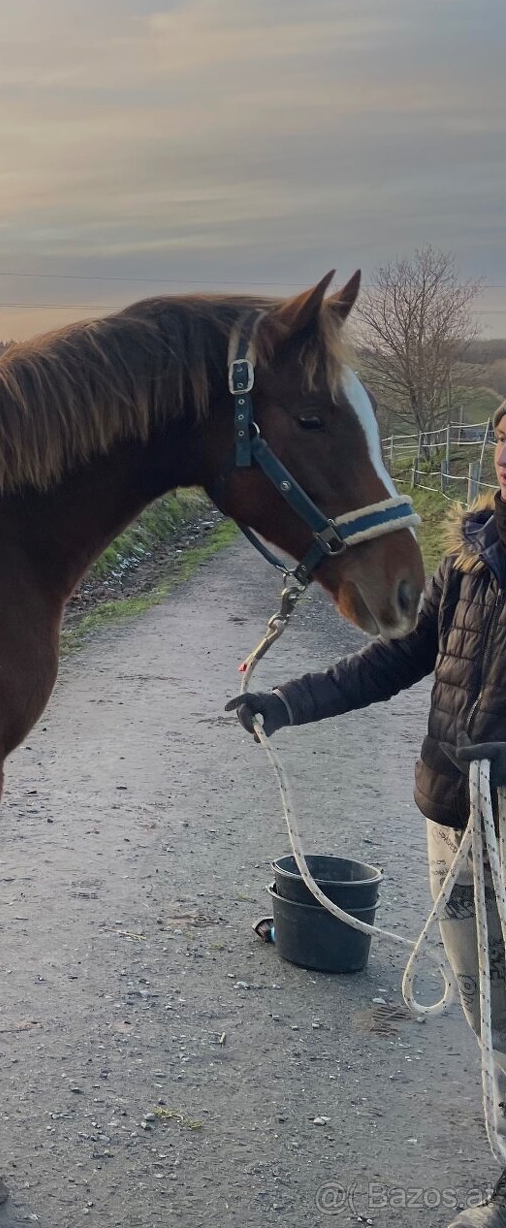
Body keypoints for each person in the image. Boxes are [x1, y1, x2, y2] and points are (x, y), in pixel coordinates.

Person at [228, 400, 506, 1228]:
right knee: (485, 1006)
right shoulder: (471, 557)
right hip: (455, 816)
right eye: (503, 437)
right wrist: (286, 702)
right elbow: (395, 660)